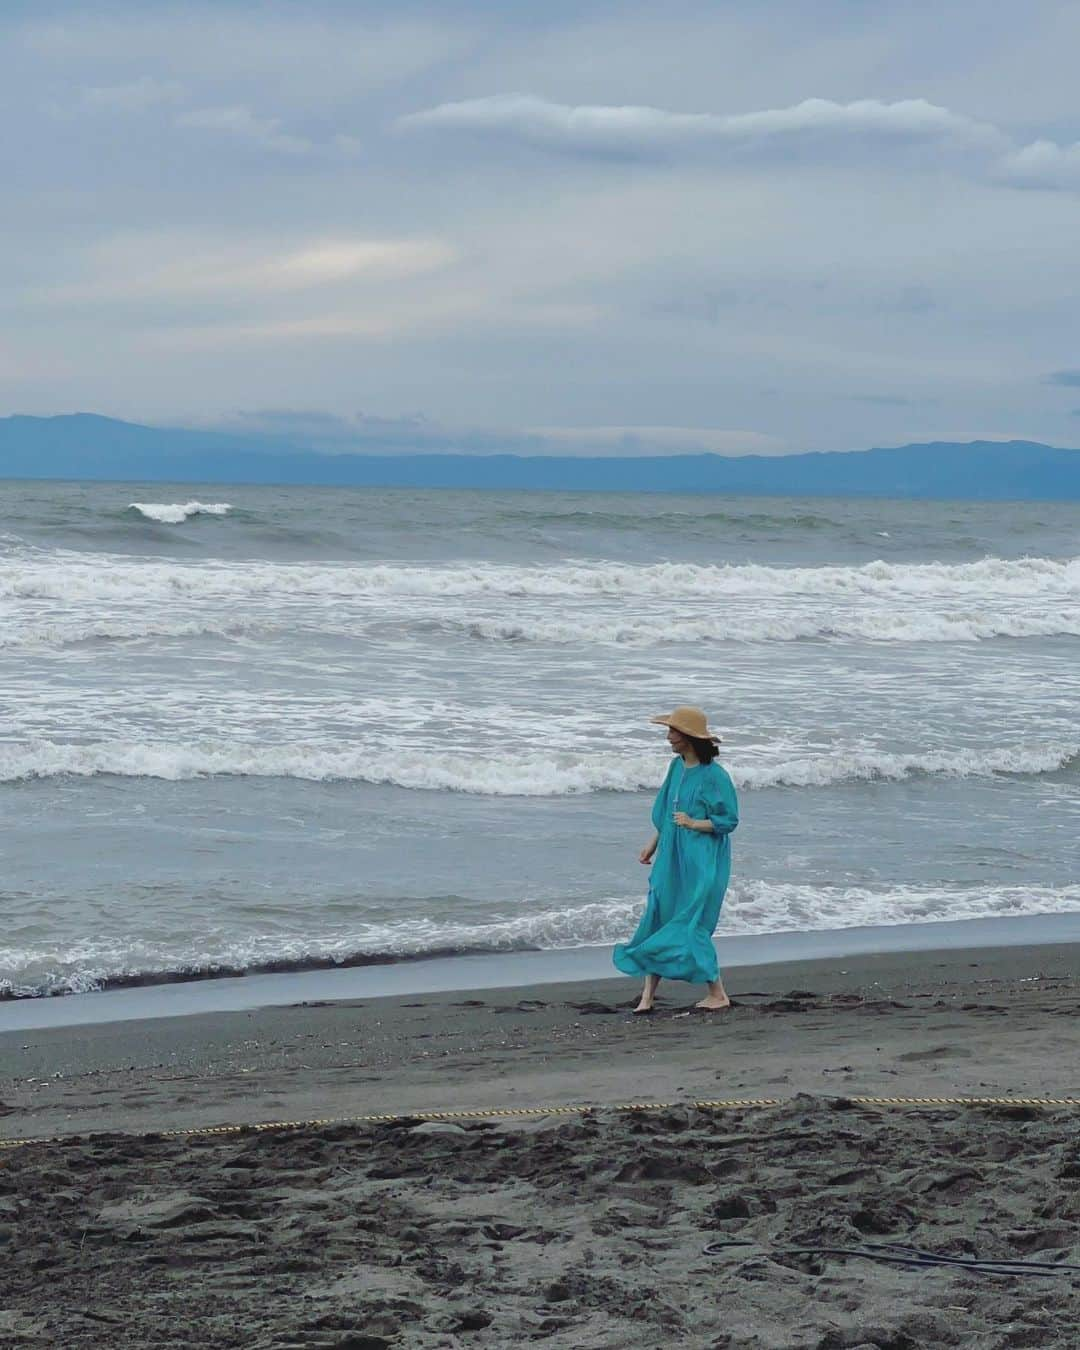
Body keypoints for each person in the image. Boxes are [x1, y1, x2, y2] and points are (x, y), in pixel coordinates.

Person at [614, 706, 739, 1014]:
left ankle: (718, 992)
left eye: (673, 731)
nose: (668, 736)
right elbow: (668, 816)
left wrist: (695, 823)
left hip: (701, 861)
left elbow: (729, 820)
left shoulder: (715, 776)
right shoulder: (675, 767)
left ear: (689, 737)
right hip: (670, 857)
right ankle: (646, 997)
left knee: (691, 922)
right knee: (658, 916)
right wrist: (653, 844)